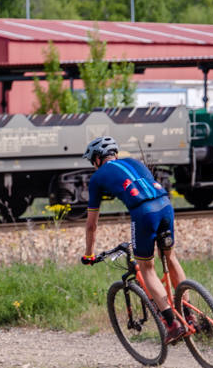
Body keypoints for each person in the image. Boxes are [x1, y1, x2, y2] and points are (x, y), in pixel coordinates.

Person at [79, 136, 188, 344]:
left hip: (144, 212)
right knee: (171, 257)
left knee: (147, 268)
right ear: (115, 154)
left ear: (97, 159)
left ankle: (172, 324)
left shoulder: (97, 177)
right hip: (166, 205)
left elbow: (91, 224)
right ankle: (190, 316)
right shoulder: (135, 162)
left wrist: (89, 254)